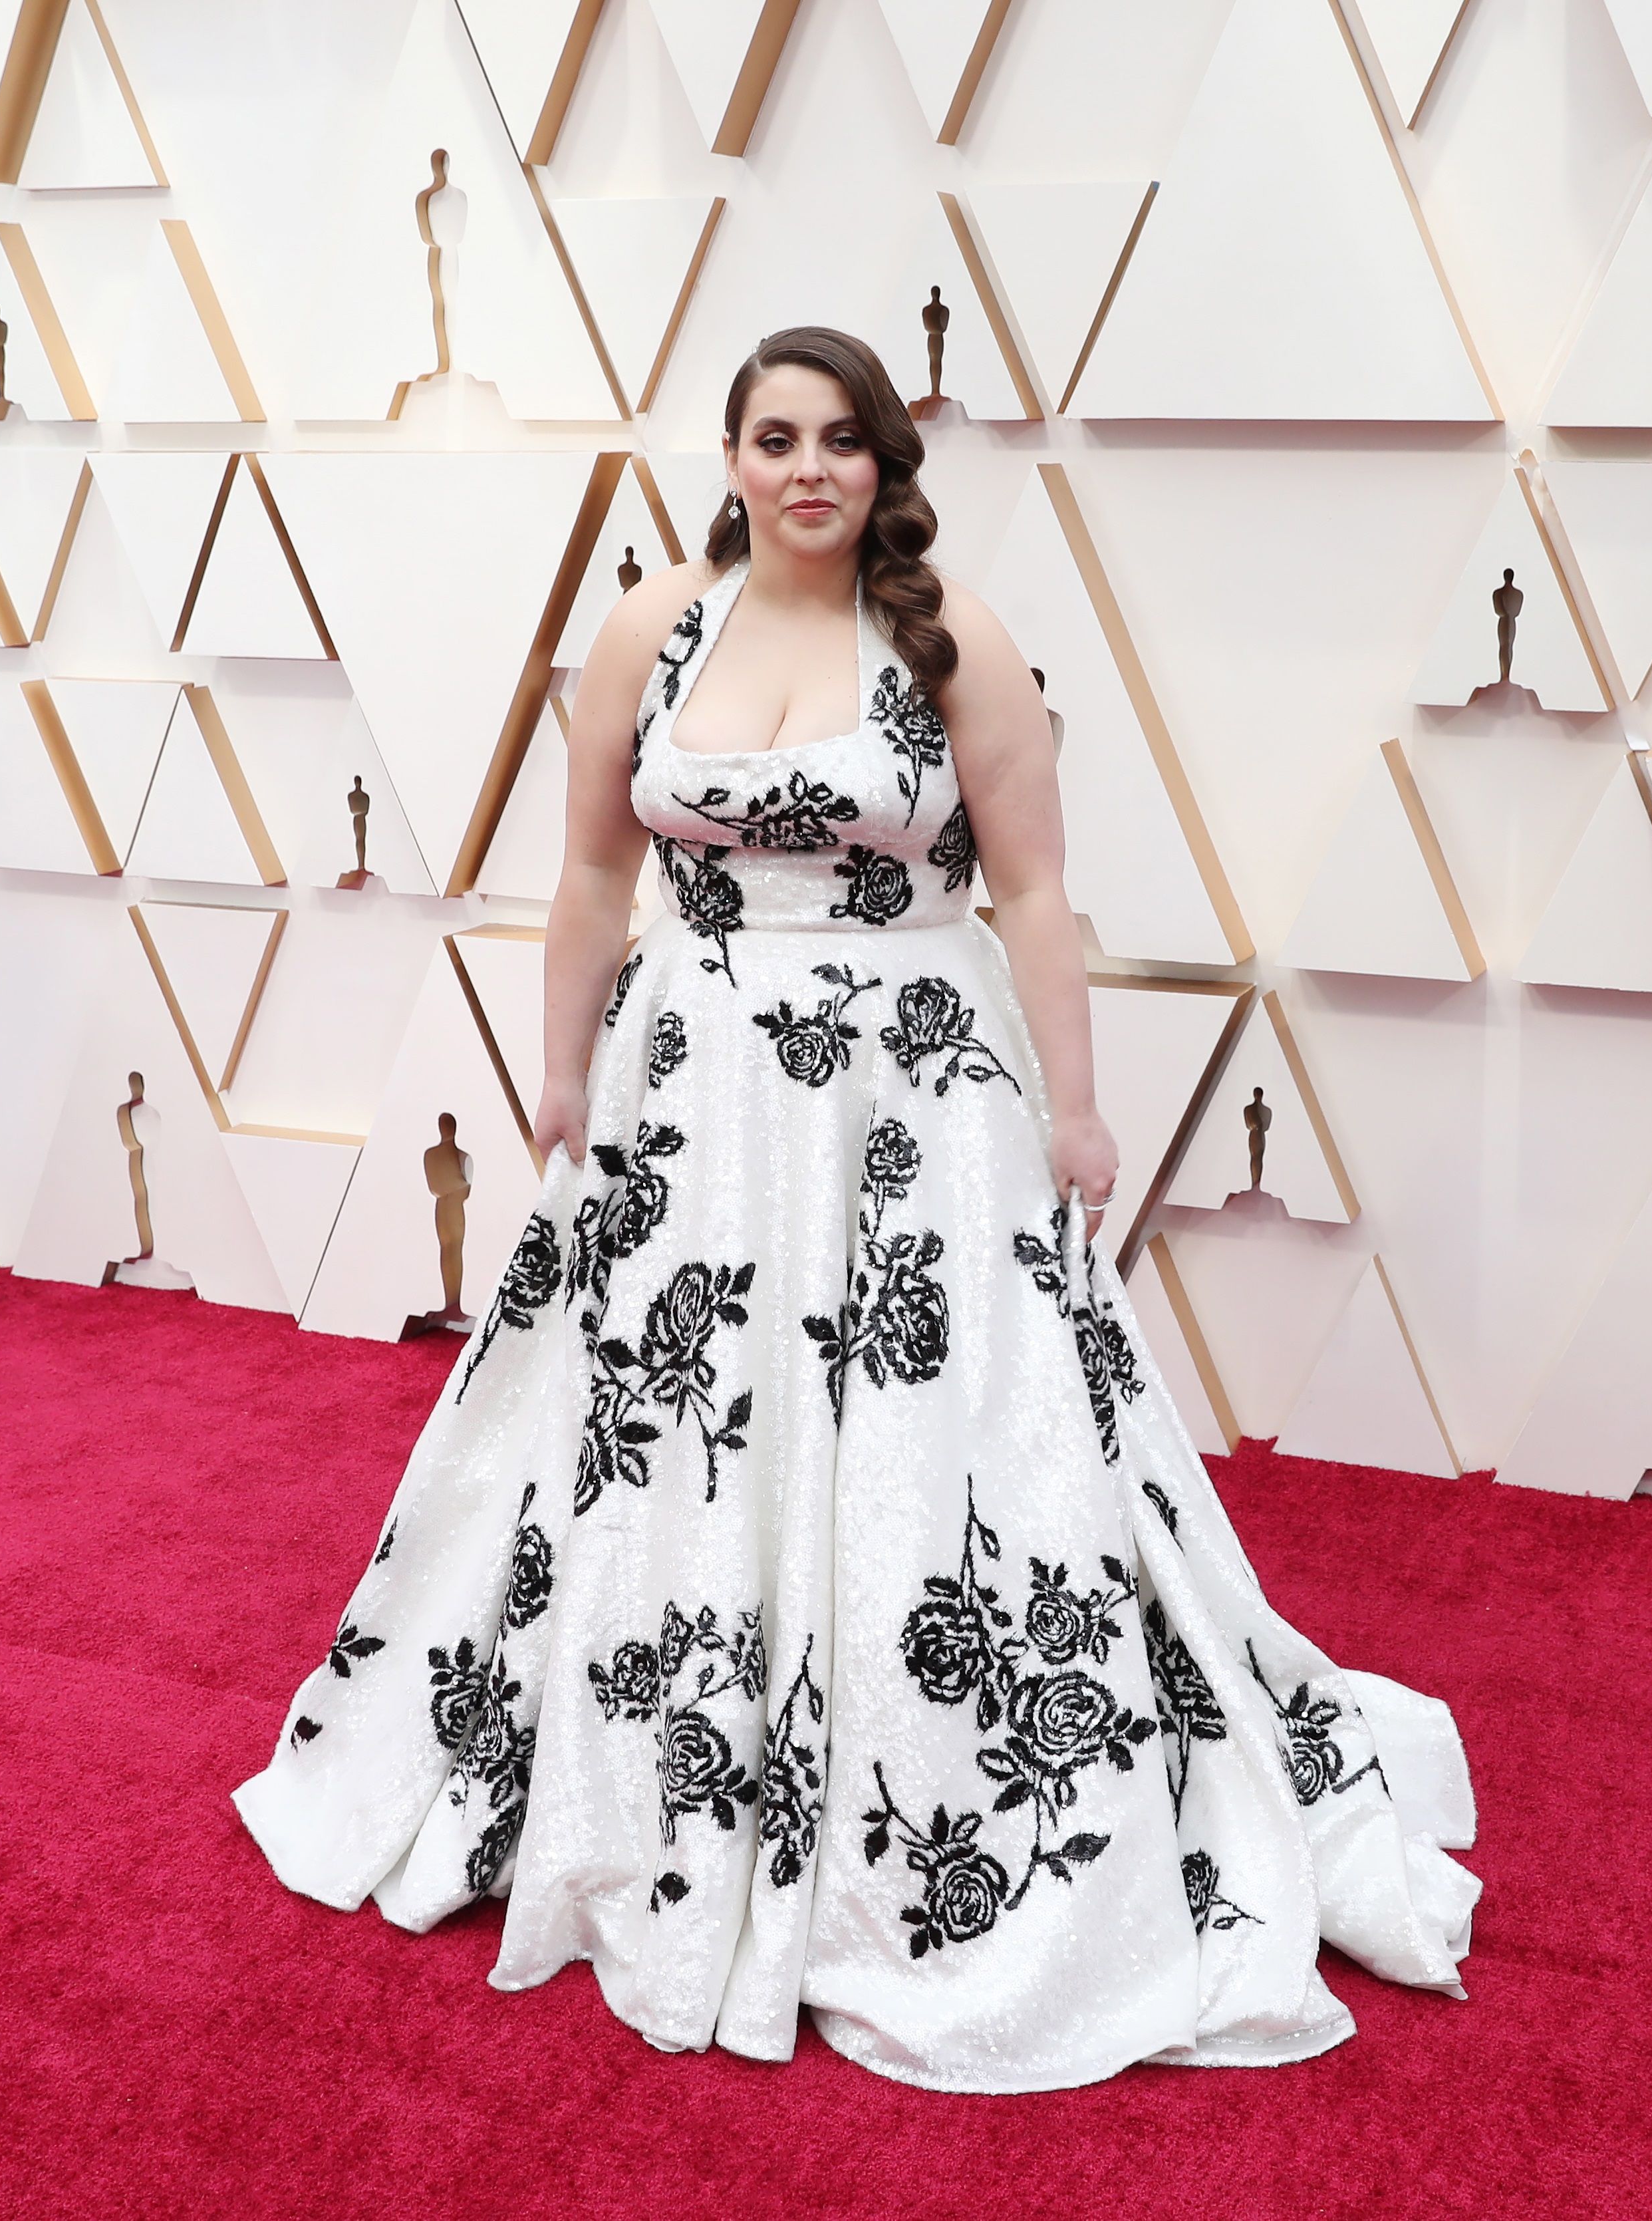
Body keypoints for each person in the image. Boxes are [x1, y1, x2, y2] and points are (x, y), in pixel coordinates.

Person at [233, 327, 1478, 2092]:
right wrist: (568, 1070)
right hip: (694, 1098)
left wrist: (1080, 1102)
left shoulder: (949, 637)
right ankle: (655, 1792)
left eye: (838, 441)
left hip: (909, 1092)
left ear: (886, 463)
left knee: (949, 1440)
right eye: (772, 438)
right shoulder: (651, 625)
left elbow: (1037, 891)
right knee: (657, 1440)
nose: (804, 470)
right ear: (731, 456)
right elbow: (593, 867)